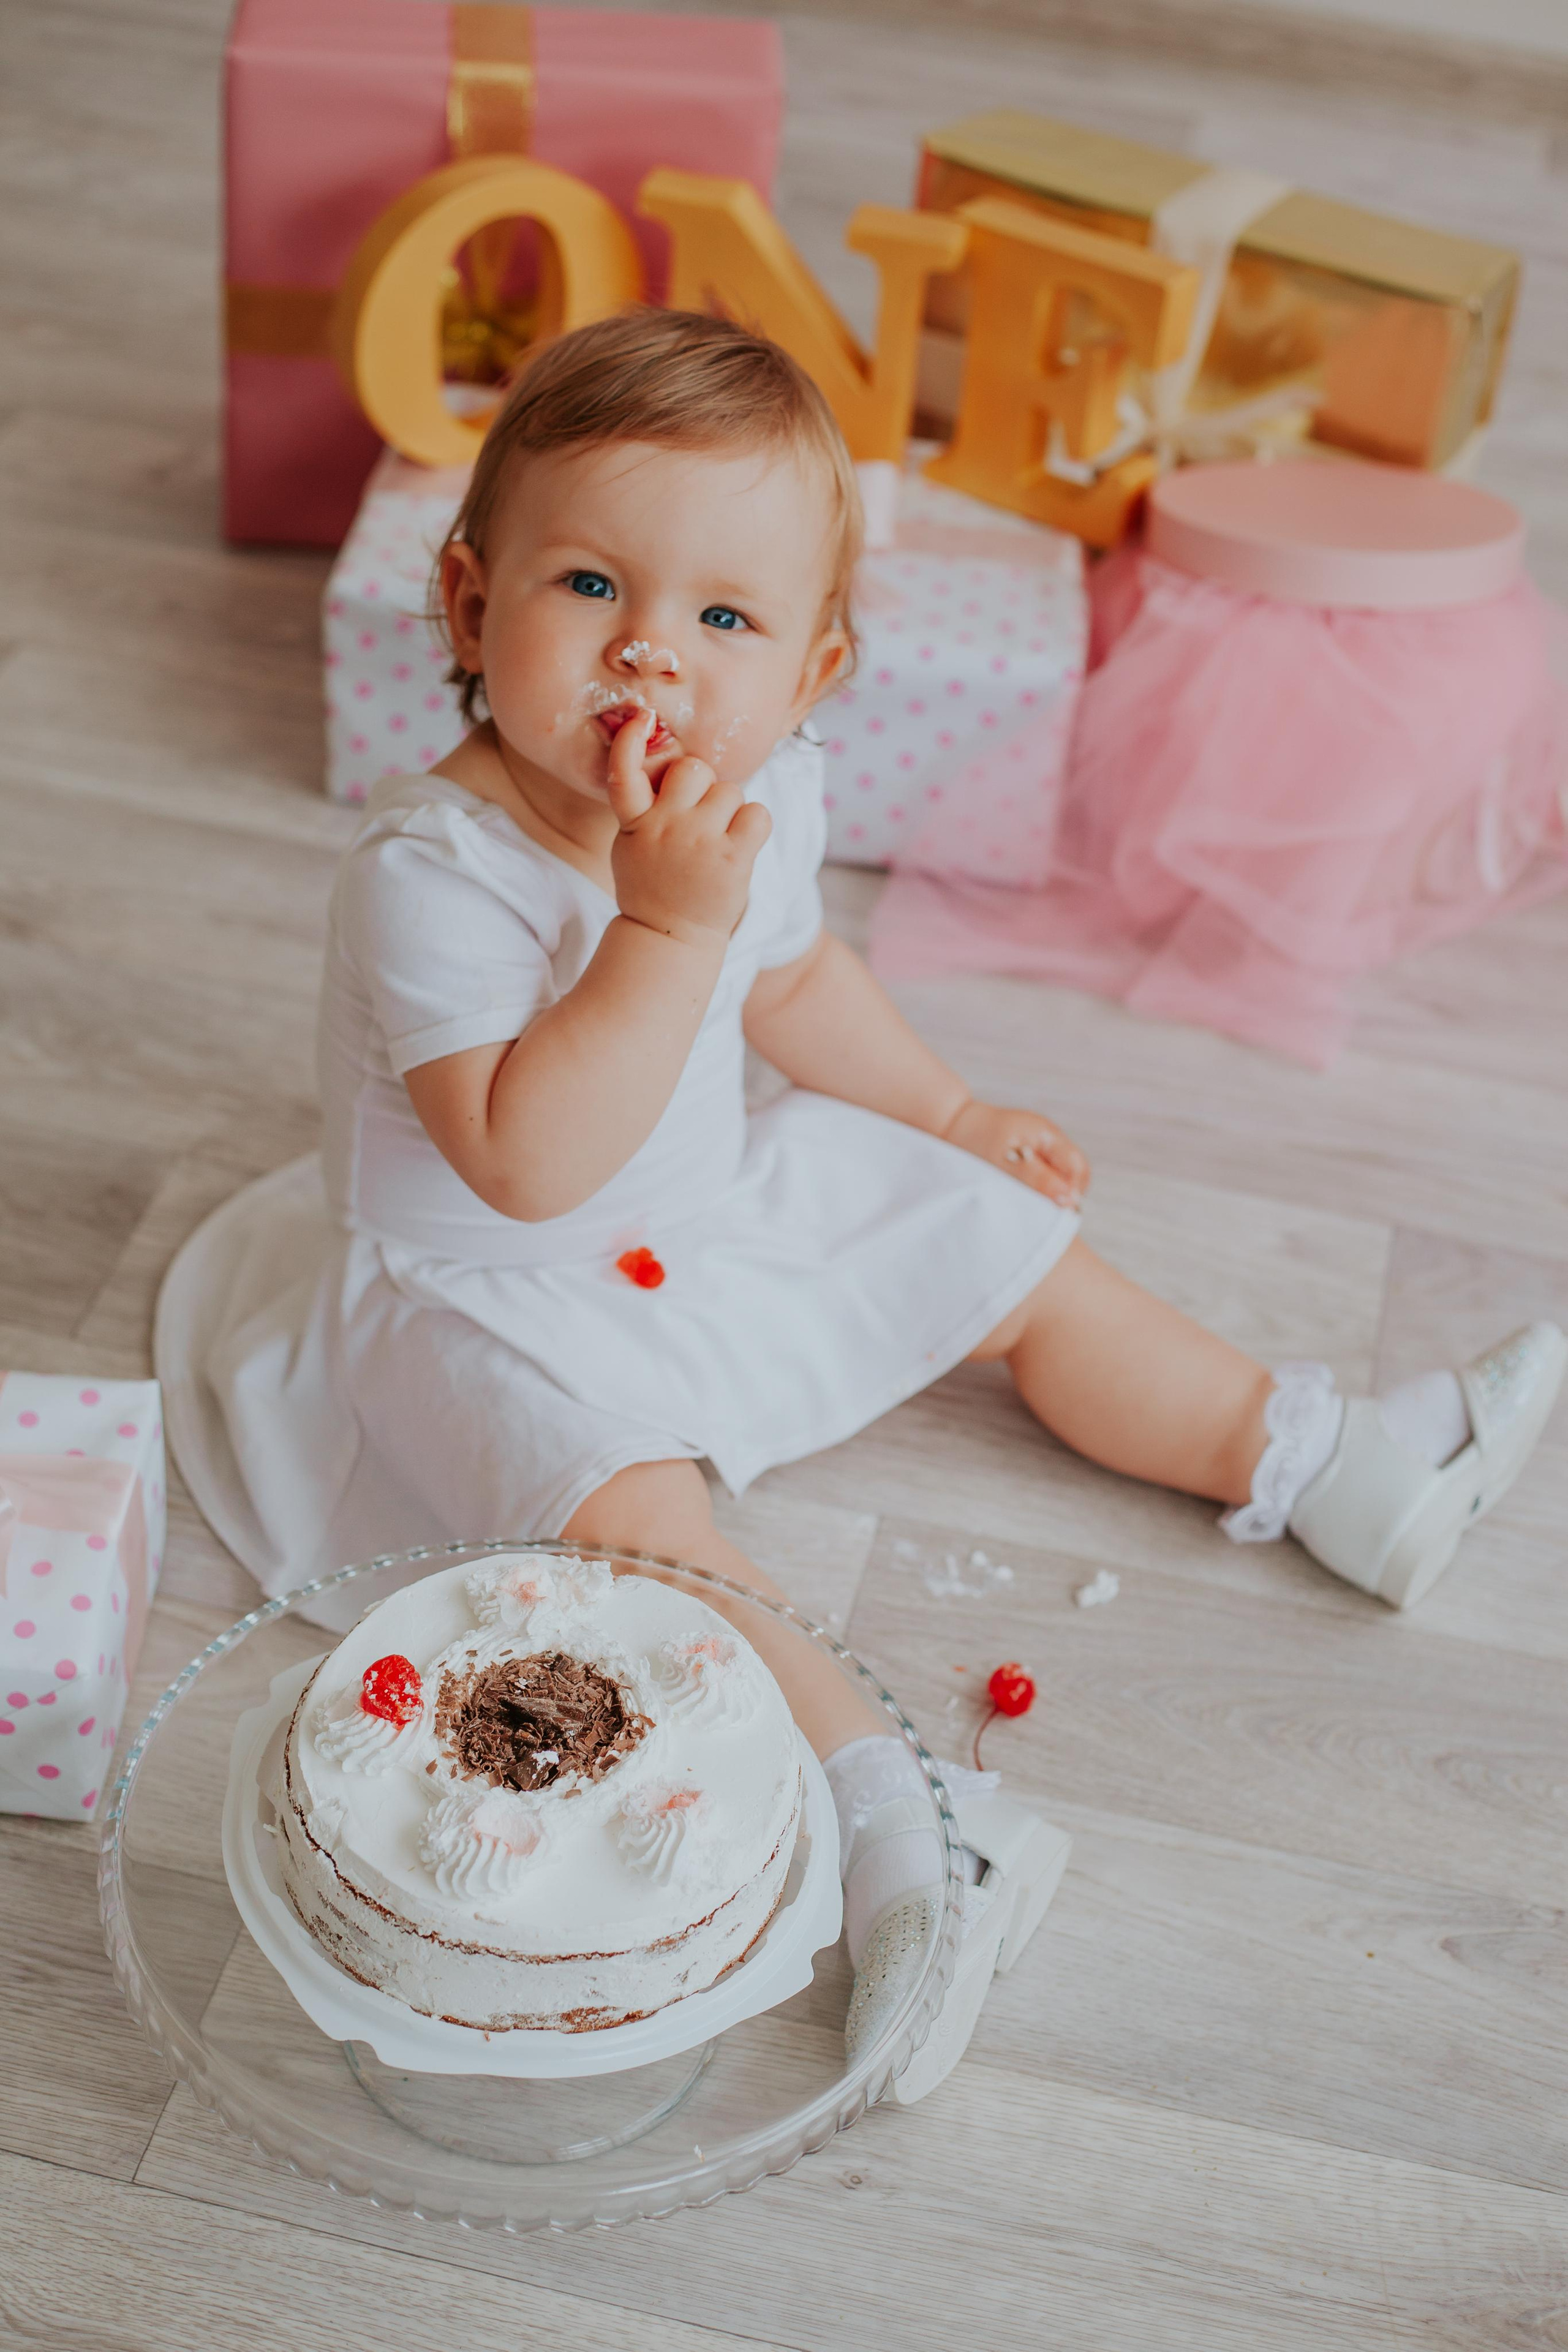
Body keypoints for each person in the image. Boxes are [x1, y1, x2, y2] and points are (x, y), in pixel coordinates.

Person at [171, 307, 1564, 2100]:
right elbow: (525, 1156)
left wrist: (950, 1109)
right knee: (653, 1543)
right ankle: (912, 1826)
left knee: (997, 1240)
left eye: (724, 621)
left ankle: (1325, 1456)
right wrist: (661, 927)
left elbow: (795, 986)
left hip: (707, 1204)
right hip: (479, 1299)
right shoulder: (432, 876)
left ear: (813, 673)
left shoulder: (754, 809)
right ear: (466, 609)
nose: (654, 662)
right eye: (593, 587)